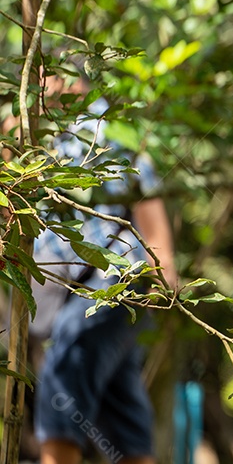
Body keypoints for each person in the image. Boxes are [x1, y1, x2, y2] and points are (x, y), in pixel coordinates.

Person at [25, 72, 176, 464]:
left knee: (67, 359)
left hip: (116, 280)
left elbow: (148, 206)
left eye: (52, 79)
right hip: (77, 289)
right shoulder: (37, 136)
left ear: (75, 82)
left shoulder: (103, 128)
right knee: (119, 401)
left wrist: (164, 274)